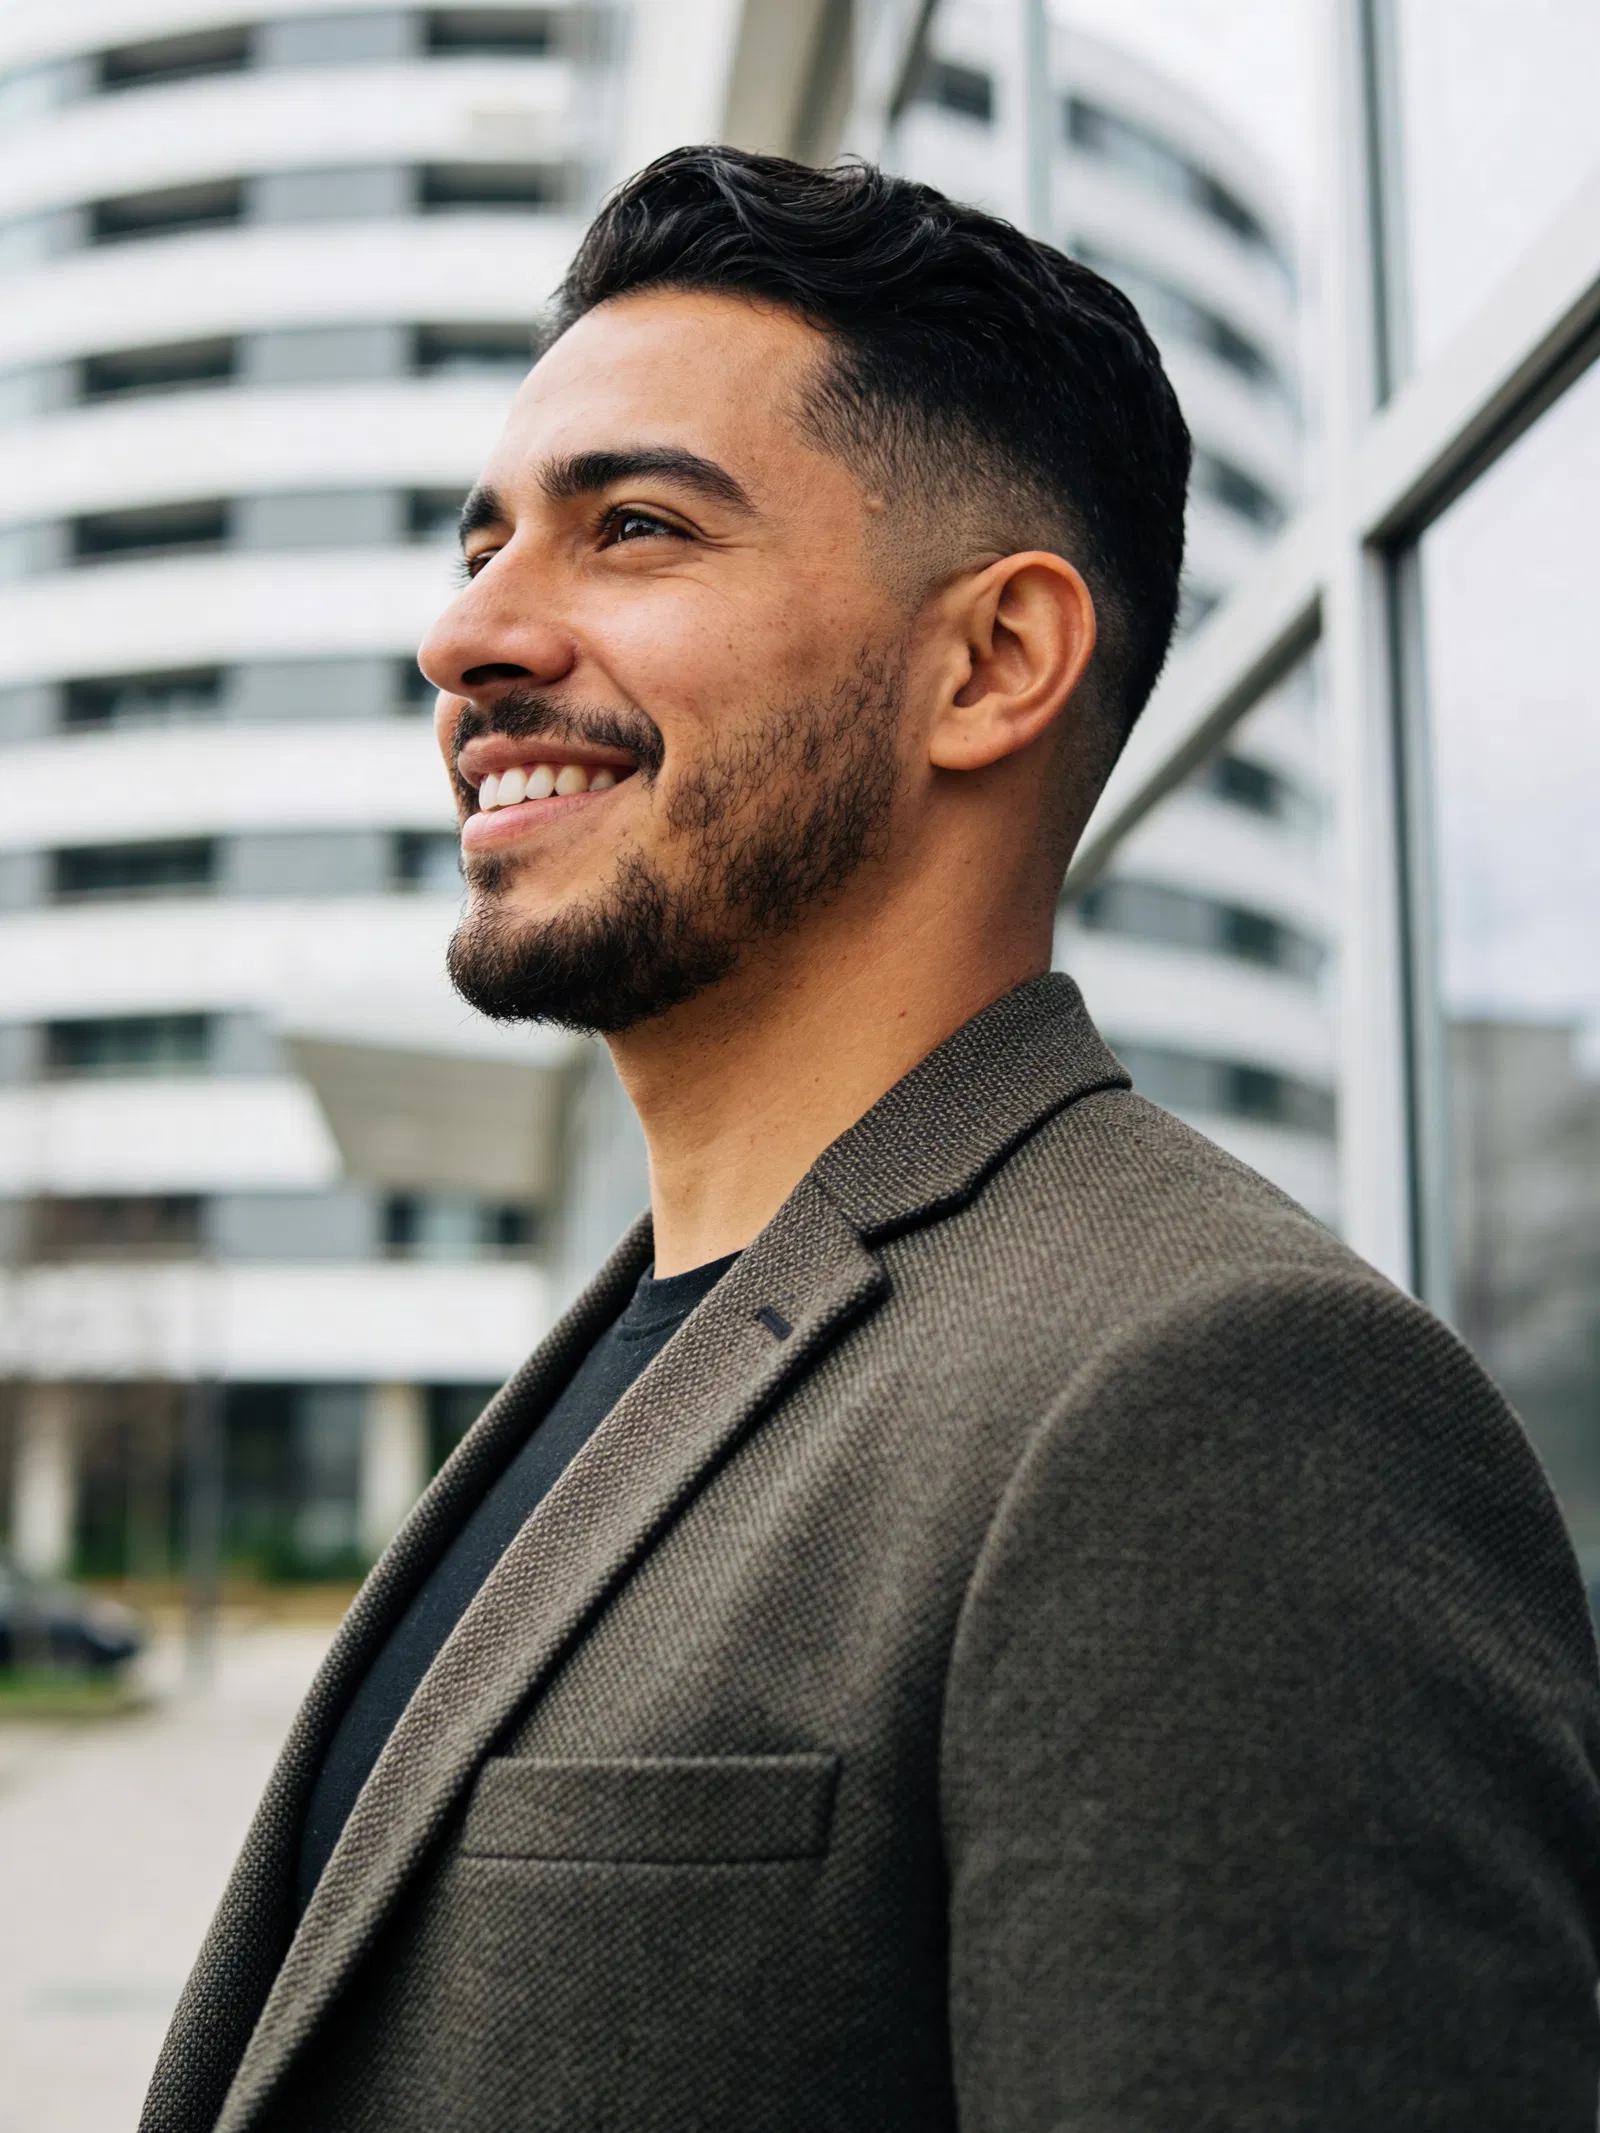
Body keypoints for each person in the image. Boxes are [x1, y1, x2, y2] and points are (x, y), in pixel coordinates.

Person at [142, 148, 1600, 2133]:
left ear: (990, 661)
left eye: (628, 528)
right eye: (478, 542)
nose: (469, 637)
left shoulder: (1221, 1404)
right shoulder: (628, 1350)